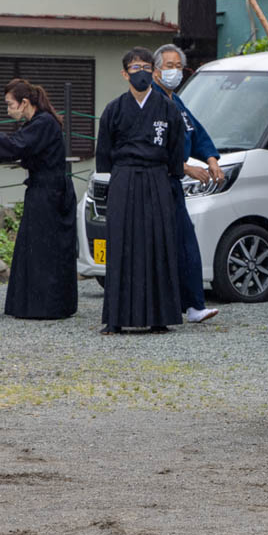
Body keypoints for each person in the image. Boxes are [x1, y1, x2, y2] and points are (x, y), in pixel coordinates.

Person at [95, 47, 185, 334]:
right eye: (135, 68)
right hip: (124, 177)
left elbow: (175, 150)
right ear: (125, 74)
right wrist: (118, 175)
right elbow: (104, 153)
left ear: (154, 72)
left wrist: (169, 174)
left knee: (158, 243)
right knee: (121, 243)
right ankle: (116, 318)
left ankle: (159, 316)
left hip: (157, 176)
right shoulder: (114, 109)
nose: (142, 73)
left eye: (147, 67)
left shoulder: (168, 108)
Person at [0, 80, 76, 319]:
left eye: (10, 104)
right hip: (44, 189)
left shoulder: (44, 122)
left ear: (24, 102)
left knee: (45, 249)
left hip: (50, 191)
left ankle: (46, 306)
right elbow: (18, 147)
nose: (8, 110)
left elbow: (18, 145)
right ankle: (35, 304)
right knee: (35, 247)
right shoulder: (37, 123)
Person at [153, 43, 221, 324]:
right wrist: (185, 167)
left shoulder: (176, 101)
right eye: (168, 66)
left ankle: (193, 304)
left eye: (178, 66)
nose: (174, 72)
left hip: (175, 185)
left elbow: (197, 132)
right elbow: (152, 147)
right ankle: (167, 305)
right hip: (156, 182)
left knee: (184, 242)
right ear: (156, 71)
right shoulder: (152, 102)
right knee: (166, 244)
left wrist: (211, 158)